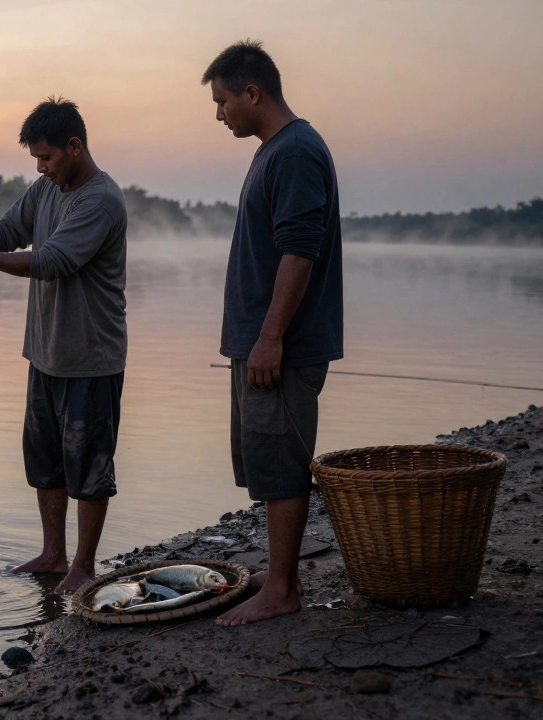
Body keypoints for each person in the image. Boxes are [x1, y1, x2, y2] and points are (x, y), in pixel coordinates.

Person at [0, 98, 128, 595]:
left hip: (90, 358)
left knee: (89, 467)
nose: (40, 168)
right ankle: (52, 554)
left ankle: (83, 565)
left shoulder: (100, 199)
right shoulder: (45, 190)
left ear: (75, 147)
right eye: (35, 160)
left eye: (47, 157)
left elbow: (52, 260)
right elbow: (10, 231)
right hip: (44, 353)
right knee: (44, 461)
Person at [201, 41, 344, 625]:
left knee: (283, 463)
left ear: (252, 93)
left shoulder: (295, 152)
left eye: (223, 101)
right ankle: (279, 571)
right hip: (260, 341)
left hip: (279, 345)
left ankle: (283, 590)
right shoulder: (274, 151)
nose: (219, 114)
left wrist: (270, 337)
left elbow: (299, 249)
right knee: (266, 458)